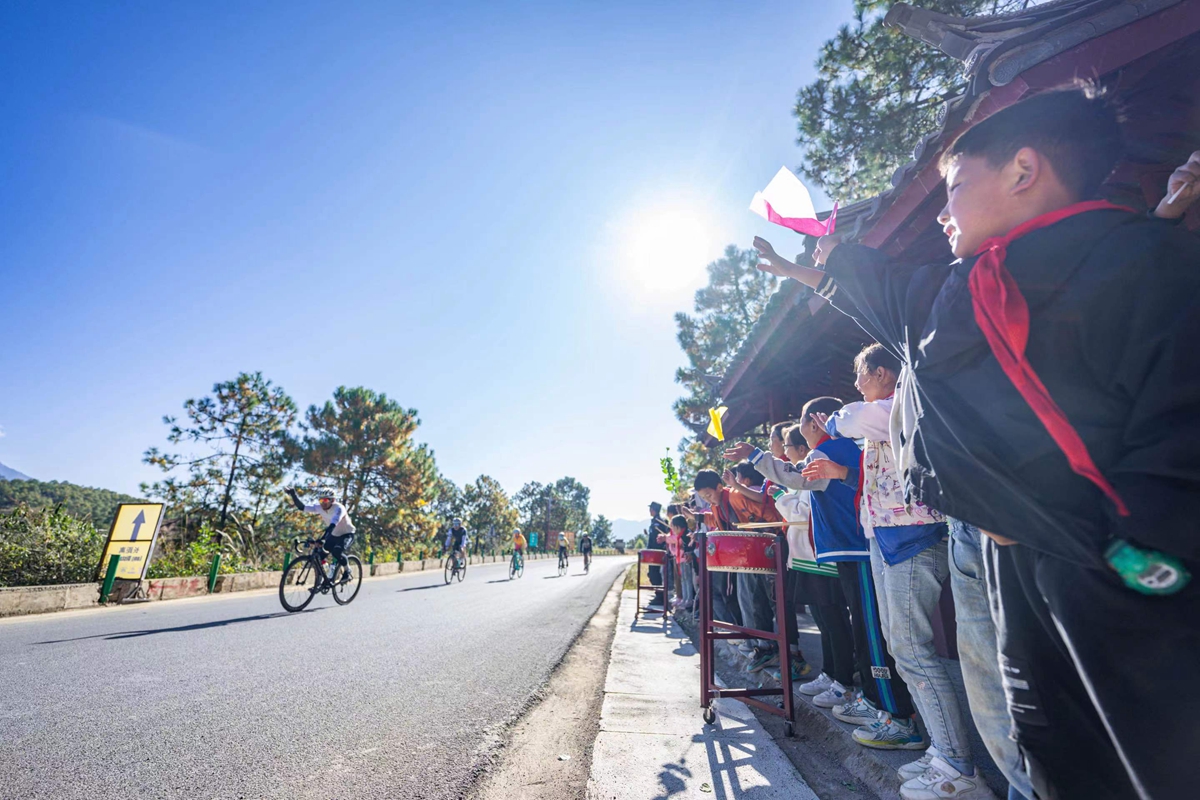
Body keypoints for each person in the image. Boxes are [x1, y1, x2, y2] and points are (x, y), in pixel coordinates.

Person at [756, 88, 1200, 799]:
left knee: (1156, 758)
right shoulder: (952, 292)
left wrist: (1116, 552)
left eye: (958, 185)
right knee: (1050, 745)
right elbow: (878, 287)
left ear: (1024, 170)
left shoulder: (1153, 262)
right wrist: (808, 267)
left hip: (1121, 571)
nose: (944, 210)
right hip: (1006, 561)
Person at [805, 344, 982, 799]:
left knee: (913, 650)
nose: (857, 384)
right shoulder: (881, 415)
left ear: (886, 373)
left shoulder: (901, 402)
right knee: (904, 648)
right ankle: (943, 751)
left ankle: (959, 767)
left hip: (911, 536)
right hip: (886, 535)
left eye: (861, 374)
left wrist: (837, 419)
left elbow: (847, 418)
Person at [726, 398, 922, 751]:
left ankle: (895, 715)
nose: (795, 432)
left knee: (869, 632)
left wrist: (755, 456)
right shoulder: (843, 448)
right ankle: (878, 704)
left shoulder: (828, 451)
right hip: (854, 549)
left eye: (799, 423)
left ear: (813, 424)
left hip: (855, 549)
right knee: (864, 629)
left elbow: (792, 477)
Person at [286, 486, 355, 582]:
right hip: (334, 535)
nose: (323, 503)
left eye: (326, 500)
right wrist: (293, 495)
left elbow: (333, 525)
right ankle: (323, 576)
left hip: (347, 534)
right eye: (321, 500)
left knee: (337, 551)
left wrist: (323, 539)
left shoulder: (339, 508)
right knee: (319, 556)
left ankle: (347, 571)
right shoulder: (319, 508)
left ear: (333, 500)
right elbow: (302, 507)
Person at [646, 502, 670, 608]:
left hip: (657, 552)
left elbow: (662, 537)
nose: (649, 511)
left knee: (655, 574)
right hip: (652, 552)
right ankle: (658, 594)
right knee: (652, 573)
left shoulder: (660, 522)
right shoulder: (654, 521)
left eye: (651, 509)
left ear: (654, 509)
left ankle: (660, 596)